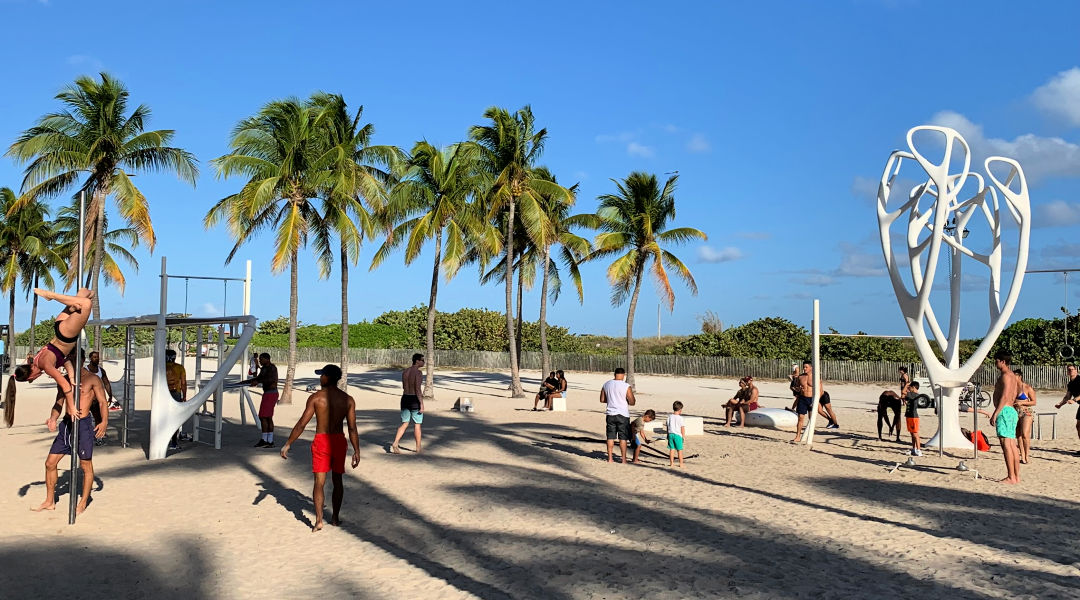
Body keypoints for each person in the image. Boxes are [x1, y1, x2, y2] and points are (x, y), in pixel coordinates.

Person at [280, 364, 360, 532]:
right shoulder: (348, 399)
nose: (320, 377)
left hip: (322, 440)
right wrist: (356, 450)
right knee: (337, 480)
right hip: (338, 441)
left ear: (327, 377)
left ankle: (319, 520)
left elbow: (302, 423)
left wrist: (288, 443)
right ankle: (336, 518)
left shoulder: (316, 398)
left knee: (319, 482)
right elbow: (352, 428)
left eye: (322, 375)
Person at [9, 288, 94, 426]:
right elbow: (65, 360)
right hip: (60, 326)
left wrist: (71, 407)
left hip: (66, 336)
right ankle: (72, 307)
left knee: (86, 304)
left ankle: (51, 295)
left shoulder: (44, 365)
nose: (34, 380)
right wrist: (72, 377)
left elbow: (64, 385)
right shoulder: (37, 359)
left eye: (31, 380)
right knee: (88, 293)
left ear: (30, 376)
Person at [32, 360, 108, 514]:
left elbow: (102, 402)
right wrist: (53, 418)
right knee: (50, 463)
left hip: (83, 425)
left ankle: (83, 501)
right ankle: (49, 501)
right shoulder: (65, 379)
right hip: (67, 425)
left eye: (72, 360)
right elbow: (58, 402)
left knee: (85, 465)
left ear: (80, 360)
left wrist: (104, 422)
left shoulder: (92, 379)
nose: (69, 364)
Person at [989, 350, 1021, 484]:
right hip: (1010, 410)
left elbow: (1005, 396)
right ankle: (1015, 476)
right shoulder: (1013, 376)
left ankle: (1011, 476)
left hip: (1005, 411)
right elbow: (1019, 392)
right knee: (1012, 444)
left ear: (1002, 361)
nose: (995, 363)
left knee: (1006, 444)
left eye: (996, 360)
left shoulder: (1006, 376)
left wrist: (996, 413)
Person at [241, 353, 279, 448]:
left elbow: (270, 380)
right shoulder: (264, 369)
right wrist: (246, 382)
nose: (260, 361)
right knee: (264, 417)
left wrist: (257, 382)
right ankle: (265, 439)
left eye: (261, 359)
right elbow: (259, 378)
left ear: (267, 359)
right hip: (267, 393)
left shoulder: (272, 368)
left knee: (266, 416)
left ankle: (269, 441)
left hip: (271, 393)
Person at [600, 367, 636, 464]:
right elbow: (632, 401)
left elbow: (602, 399)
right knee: (622, 438)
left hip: (610, 413)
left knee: (610, 437)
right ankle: (623, 459)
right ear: (623, 375)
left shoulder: (606, 384)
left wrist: (611, 400)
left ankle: (610, 458)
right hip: (622, 414)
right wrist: (626, 400)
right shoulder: (626, 386)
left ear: (614, 374)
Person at [391, 353, 424, 454]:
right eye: (422, 360)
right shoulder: (418, 373)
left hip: (405, 397)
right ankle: (418, 448)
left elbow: (404, 387)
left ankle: (396, 442)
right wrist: (421, 403)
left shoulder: (405, 371)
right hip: (414, 399)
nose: (423, 362)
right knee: (417, 424)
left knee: (405, 423)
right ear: (417, 361)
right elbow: (417, 389)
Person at [164, 349, 188, 450]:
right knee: (175, 417)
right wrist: (184, 396)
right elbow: (183, 383)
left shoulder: (161, 367)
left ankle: (164, 439)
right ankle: (174, 442)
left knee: (164, 417)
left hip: (163, 393)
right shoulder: (180, 368)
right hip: (175, 393)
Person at [1053, 364, 1080, 443]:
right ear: (1067, 372)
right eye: (1069, 370)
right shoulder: (1070, 384)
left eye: (1072, 369)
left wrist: (1074, 400)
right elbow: (1067, 396)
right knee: (1078, 426)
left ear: (1076, 371)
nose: (1071, 371)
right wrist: (1060, 404)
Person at [1014, 369, 1036, 464]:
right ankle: (1022, 454)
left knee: (1025, 434)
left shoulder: (1027, 388)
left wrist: (1022, 402)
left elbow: (1034, 402)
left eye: (1014, 376)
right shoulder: (1012, 388)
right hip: (1015, 411)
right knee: (1018, 434)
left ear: (1019, 376)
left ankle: (1027, 455)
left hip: (1026, 411)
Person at [791, 361, 815, 442]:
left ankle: (809, 435)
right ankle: (797, 436)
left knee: (811, 418)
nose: (804, 369)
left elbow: (820, 390)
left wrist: (816, 401)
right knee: (800, 418)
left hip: (811, 399)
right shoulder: (801, 377)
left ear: (811, 368)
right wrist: (798, 389)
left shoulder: (815, 377)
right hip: (802, 398)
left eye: (806, 367)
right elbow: (796, 387)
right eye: (804, 367)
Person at [904, 381, 923, 456]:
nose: (909, 388)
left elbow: (903, 391)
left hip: (913, 416)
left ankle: (919, 450)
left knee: (915, 434)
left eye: (910, 387)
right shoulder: (910, 395)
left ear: (914, 387)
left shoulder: (914, 395)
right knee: (912, 434)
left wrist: (906, 385)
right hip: (909, 415)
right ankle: (914, 449)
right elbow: (903, 396)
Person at [667, 401, 686, 468]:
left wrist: (667, 434)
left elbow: (668, 426)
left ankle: (671, 463)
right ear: (680, 410)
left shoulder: (669, 417)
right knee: (679, 450)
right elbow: (682, 428)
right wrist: (683, 436)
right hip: (677, 435)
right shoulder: (680, 418)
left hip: (670, 434)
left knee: (672, 449)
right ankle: (681, 464)